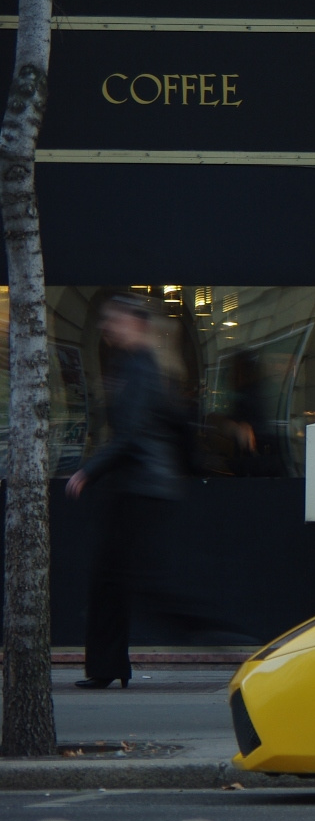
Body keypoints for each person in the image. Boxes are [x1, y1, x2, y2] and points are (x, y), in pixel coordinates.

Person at [65, 295, 188, 689]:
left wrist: (88, 470)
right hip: (139, 485)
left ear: (135, 324)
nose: (106, 328)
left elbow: (132, 435)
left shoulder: (139, 367)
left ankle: (110, 665)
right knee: (117, 579)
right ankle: (108, 666)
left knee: (116, 579)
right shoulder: (138, 365)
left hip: (138, 486)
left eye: (113, 321)